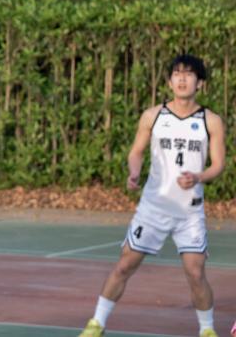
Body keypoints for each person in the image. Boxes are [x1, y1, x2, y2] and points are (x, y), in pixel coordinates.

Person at [77, 54, 226, 337]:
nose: (182, 79)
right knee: (124, 265)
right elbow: (136, 152)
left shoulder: (211, 120)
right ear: (169, 81)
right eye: (177, 74)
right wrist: (134, 171)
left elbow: (218, 164)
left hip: (189, 212)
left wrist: (198, 176)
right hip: (154, 208)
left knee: (196, 273)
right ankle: (96, 324)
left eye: (189, 74)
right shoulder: (153, 116)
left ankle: (207, 330)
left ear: (200, 83)